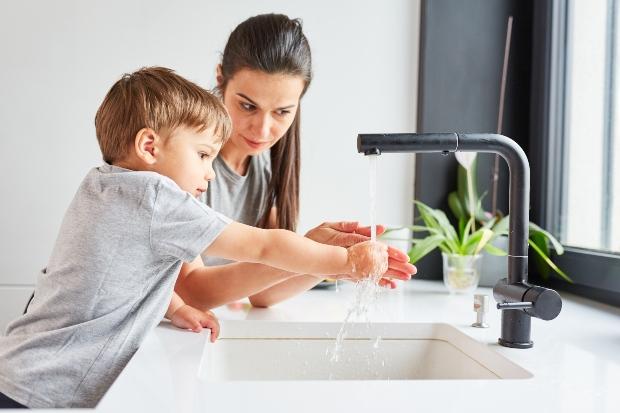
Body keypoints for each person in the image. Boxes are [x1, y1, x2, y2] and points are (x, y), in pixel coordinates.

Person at [0, 67, 389, 409]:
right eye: (203, 155)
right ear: (149, 147)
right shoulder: (156, 197)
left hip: (23, 370)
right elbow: (265, 245)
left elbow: (114, 277)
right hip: (47, 389)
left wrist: (173, 307)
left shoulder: (102, 187)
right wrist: (346, 263)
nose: (211, 172)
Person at [174, 14, 415, 311]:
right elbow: (191, 291)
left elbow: (264, 295)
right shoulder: (183, 163)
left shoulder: (266, 172)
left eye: (282, 112)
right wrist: (312, 253)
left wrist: (325, 260)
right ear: (220, 78)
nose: (262, 129)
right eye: (248, 106)